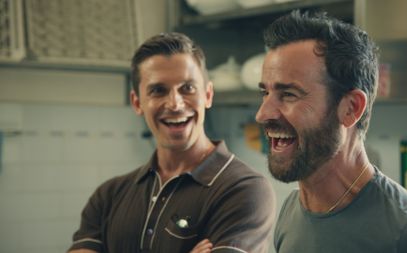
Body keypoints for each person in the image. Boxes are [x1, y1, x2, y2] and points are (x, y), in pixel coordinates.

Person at [255, 10, 407, 253]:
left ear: (351, 108)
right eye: (265, 93)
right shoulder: (291, 211)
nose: (262, 114)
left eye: (289, 94)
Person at [67, 32, 276, 253]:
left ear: (208, 95)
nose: (175, 104)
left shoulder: (244, 190)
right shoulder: (108, 197)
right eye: (158, 90)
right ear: (137, 103)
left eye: (188, 88)